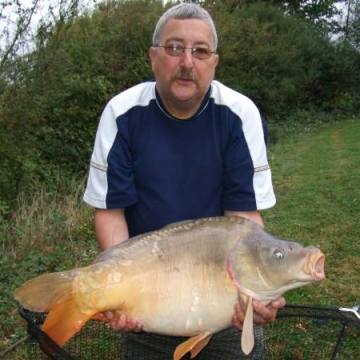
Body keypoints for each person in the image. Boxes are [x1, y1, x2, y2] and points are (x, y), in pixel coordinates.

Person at [83, 3, 285, 359]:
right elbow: (110, 212)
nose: (187, 62)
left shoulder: (240, 115)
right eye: (175, 48)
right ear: (153, 57)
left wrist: (259, 290)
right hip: (147, 292)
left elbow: (244, 220)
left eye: (200, 51)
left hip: (221, 298)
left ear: (214, 62)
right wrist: (115, 286)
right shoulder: (121, 113)